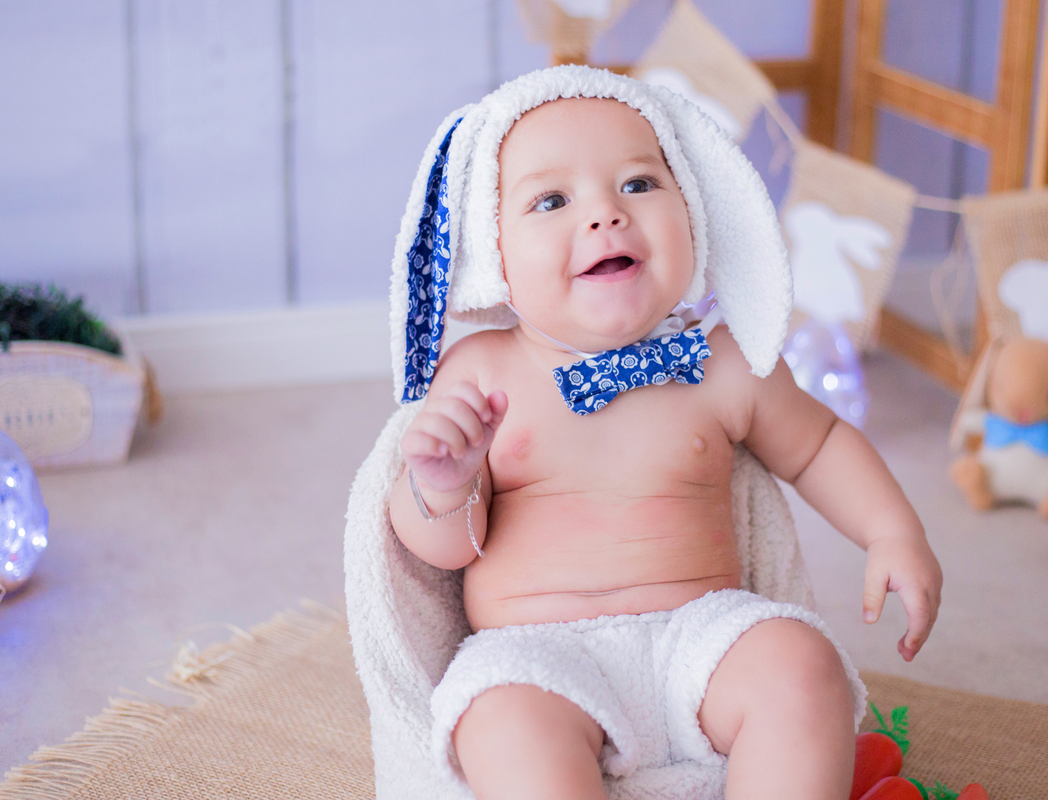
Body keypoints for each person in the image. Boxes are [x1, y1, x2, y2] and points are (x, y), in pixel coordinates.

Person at [387, 68, 942, 800]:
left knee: (801, 663)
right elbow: (442, 550)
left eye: (639, 183)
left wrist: (892, 531)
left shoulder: (723, 363)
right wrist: (443, 482)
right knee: (499, 721)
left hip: (703, 643)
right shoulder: (481, 372)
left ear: (695, 212)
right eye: (551, 200)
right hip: (536, 656)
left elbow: (820, 445)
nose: (606, 215)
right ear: (493, 256)